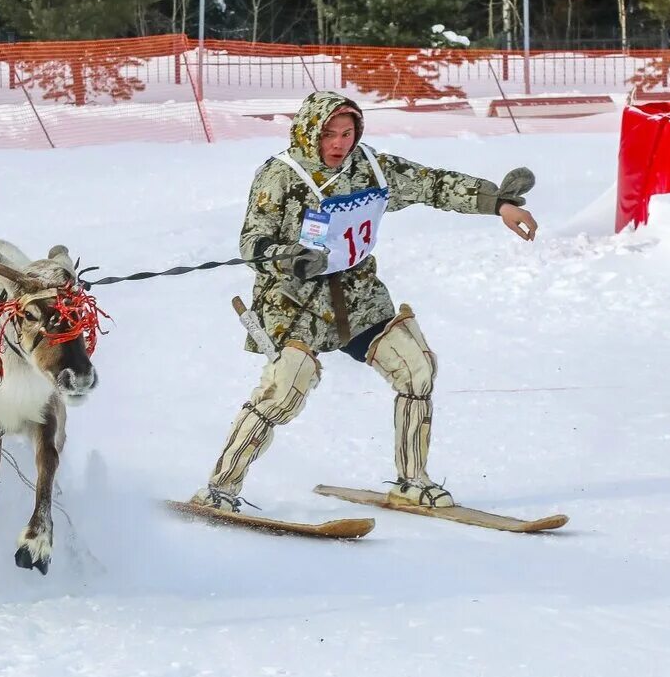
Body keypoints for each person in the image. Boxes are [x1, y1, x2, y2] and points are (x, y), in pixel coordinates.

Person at [192, 91, 538, 512]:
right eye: (329, 135)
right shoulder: (280, 175)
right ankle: (220, 488)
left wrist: (496, 202)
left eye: (347, 133)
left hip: (358, 299)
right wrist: (288, 258)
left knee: (416, 369)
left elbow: (431, 184)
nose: (338, 143)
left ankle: (413, 482)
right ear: (309, 133)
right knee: (284, 389)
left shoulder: (371, 167)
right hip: (294, 303)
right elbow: (251, 241)